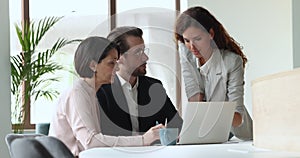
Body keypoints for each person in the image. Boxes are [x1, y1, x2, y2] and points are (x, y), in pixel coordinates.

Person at [48, 36, 164, 156]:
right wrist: (143, 140)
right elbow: (90, 141)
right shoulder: (77, 93)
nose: (117, 67)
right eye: (111, 63)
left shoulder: (90, 93)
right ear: (93, 65)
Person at [174, 6, 252, 140]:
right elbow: (195, 97)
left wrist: (205, 113)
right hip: (206, 134)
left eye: (198, 39)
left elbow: (238, 117)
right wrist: (189, 130)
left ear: (211, 34)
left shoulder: (232, 62)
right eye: (187, 40)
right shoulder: (186, 53)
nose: (192, 47)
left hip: (237, 136)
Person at [97, 26, 183, 138]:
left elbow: (177, 125)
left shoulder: (154, 87)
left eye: (144, 50)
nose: (145, 57)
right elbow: (100, 138)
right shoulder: (101, 90)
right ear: (119, 57)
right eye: (138, 52)